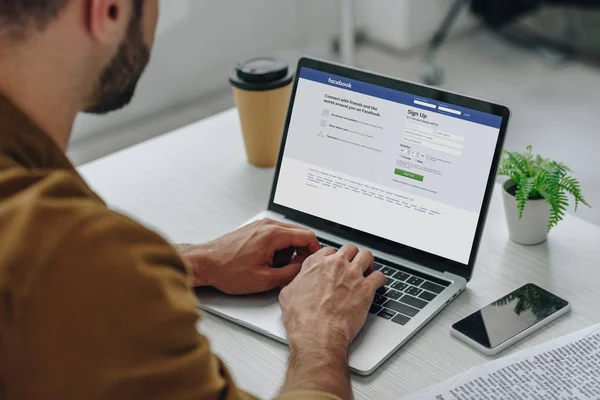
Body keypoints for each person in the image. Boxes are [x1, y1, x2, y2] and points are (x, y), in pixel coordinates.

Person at [0, 1, 386, 399]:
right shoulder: (76, 252)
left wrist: (198, 262)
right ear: (108, 10)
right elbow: (72, 272)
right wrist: (322, 332)